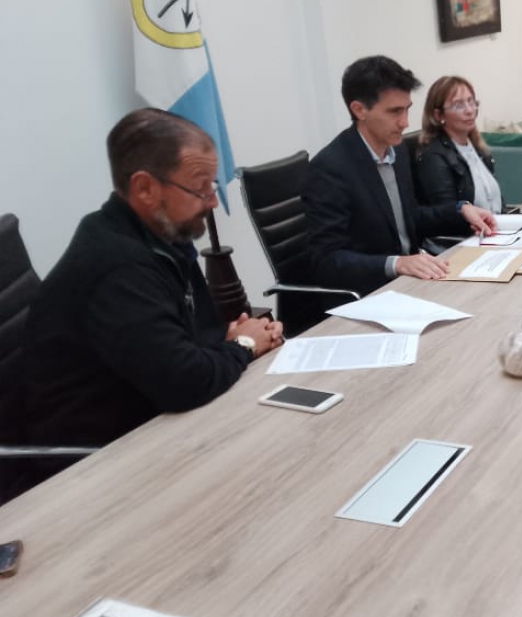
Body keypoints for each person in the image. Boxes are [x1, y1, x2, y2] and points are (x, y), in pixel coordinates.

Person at [20, 108, 284, 448]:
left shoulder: (166, 236)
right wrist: (243, 346)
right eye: (200, 189)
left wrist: (242, 338)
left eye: (212, 186)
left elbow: (200, 337)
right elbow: (184, 383)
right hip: (98, 454)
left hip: (156, 420)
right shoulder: (116, 266)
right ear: (145, 187)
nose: (213, 202)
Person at [304, 55, 496, 296]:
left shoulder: (397, 150)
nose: (405, 122)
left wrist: (460, 210)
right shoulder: (331, 168)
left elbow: (410, 217)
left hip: (411, 283)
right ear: (359, 110)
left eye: (407, 109)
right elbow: (326, 261)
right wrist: (396, 263)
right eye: (394, 112)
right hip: (367, 294)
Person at [416, 75, 503, 214]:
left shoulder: (476, 147)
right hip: (469, 228)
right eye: (459, 105)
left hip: (497, 224)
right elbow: (447, 214)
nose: (469, 110)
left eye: (471, 102)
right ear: (439, 115)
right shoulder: (433, 156)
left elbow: (495, 201)